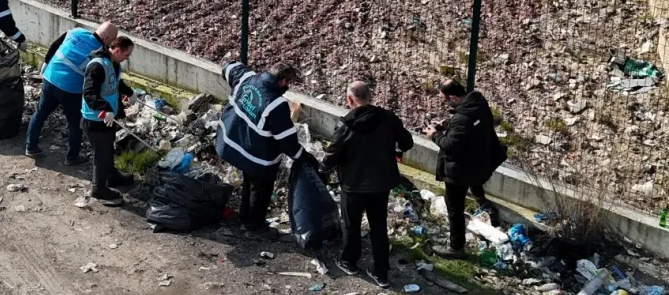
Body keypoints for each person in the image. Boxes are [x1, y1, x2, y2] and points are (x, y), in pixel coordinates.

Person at [322, 81, 414, 288]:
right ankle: (381, 273)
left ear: (349, 99)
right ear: (370, 96)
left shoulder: (346, 127)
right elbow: (407, 142)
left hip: (353, 184)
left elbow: (331, 156)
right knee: (379, 226)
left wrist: (321, 169)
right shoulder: (388, 119)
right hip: (381, 183)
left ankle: (349, 262)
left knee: (351, 224)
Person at [216, 59, 315, 239]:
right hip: (256, 156)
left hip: (230, 142)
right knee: (260, 188)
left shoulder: (247, 78)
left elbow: (229, 67)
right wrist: (303, 157)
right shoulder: (276, 104)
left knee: (249, 179)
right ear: (282, 82)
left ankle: (245, 217)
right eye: (288, 83)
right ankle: (254, 228)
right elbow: (287, 141)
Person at [424, 79, 507, 259]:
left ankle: (456, 248)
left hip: (460, 170)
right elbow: (469, 131)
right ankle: (483, 202)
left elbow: (451, 146)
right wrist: (450, 125)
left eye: (445, 100)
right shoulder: (479, 105)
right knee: (475, 185)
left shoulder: (462, 119)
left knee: (454, 208)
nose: (445, 104)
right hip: (479, 162)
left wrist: (435, 134)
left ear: (453, 98)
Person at [25, 22, 119, 165]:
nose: (112, 44)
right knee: (75, 123)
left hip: (50, 77)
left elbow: (55, 45)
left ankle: (30, 146)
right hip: (71, 89)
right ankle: (72, 157)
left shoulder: (76, 32)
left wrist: (46, 63)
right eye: (112, 40)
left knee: (40, 113)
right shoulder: (100, 53)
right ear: (106, 38)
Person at [81, 34, 136, 206]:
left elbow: (115, 83)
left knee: (108, 148)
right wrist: (105, 108)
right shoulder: (97, 66)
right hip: (96, 119)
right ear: (117, 50)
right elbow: (89, 93)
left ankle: (111, 175)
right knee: (102, 154)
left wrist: (129, 93)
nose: (127, 58)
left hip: (107, 117)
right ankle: (98, 189)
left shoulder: (112, 63)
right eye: (126, 55)